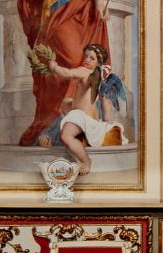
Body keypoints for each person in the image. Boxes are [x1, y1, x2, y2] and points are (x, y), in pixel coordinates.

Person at [10, 0, 109, 147]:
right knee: (63, 68)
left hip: (82, 13)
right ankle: (55, 128)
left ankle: (76, 128)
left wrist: (100, 6)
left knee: (79, 62)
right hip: (56, 17)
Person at [49, 45, 129, 175]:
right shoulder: (102, 79)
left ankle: (85, 161)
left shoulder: (84, 71)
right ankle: (80, 137)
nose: (87, 60)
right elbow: (105, 102)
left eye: (92, 58)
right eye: (86, 56)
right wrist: (106, 122)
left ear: (99, 62)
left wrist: (54, 67)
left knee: (66, 136)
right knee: (66, 101)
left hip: (80, 116)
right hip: (92, 119)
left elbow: (68, 73)